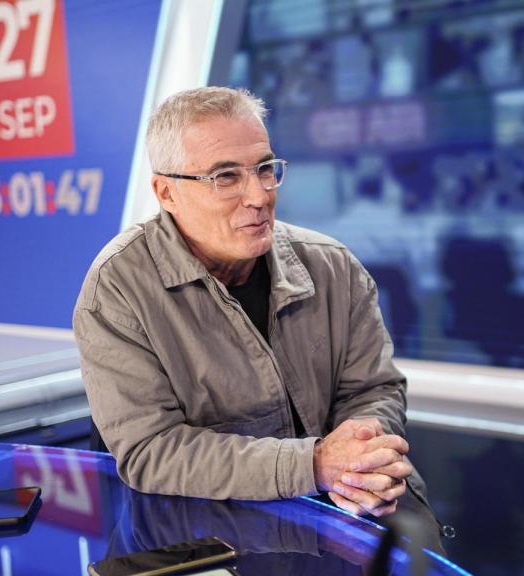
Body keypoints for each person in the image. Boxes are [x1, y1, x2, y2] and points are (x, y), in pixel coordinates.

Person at [73, 87, 439, 539]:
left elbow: (374, 388)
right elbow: (152, 451)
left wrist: (359, 458)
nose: (259, 195)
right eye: (225, 177)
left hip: (347, 520)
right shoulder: (118, 288)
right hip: (203, 540)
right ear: (166, 192)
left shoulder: (333, 266)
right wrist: (315, 464)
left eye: (265, 169)